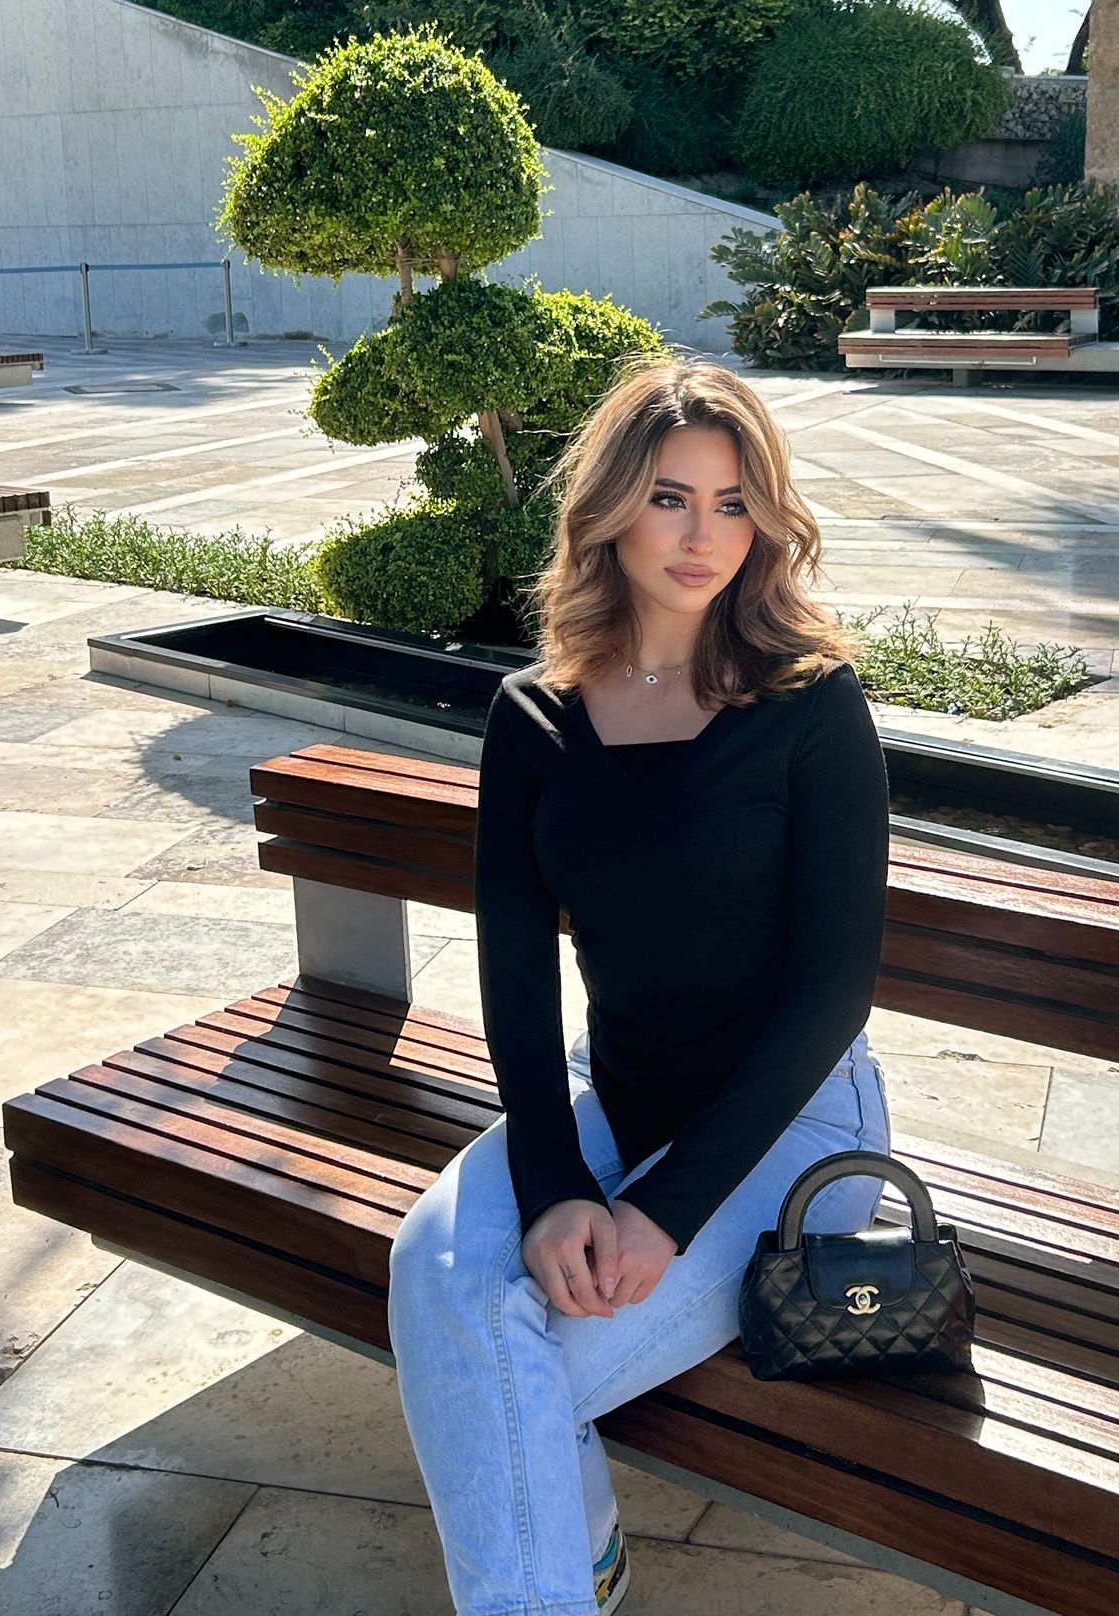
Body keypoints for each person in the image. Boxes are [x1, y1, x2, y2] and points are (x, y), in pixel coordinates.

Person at [387, 351, 893, 1615]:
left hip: (794, 1120)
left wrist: (661, 1211)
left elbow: (831, 992)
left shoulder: (812, 704)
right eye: (671, 496)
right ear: (610, 506)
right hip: (614, 1087)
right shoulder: (532, 714)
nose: (703, 534)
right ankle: (583, 1559)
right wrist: (556, 1179)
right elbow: (512, 964)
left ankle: (571, 1572)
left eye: (733, 502)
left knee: (513, 1359)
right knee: (435, 1267)